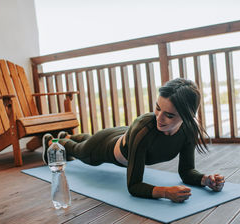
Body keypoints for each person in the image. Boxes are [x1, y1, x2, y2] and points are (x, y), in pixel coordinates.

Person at [42, 78, 225, 203]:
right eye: (157, 108)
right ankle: (55, 142)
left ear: (187, 115)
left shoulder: (188, 130)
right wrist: (166, 192)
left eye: (169, 115)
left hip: (126, 134)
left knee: (86, 141)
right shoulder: (145, 129)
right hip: (105, 147)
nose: (159, 118)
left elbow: (186, 171)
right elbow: (134, 186)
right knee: (80, 151)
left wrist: (205, 180)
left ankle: (69, 136)